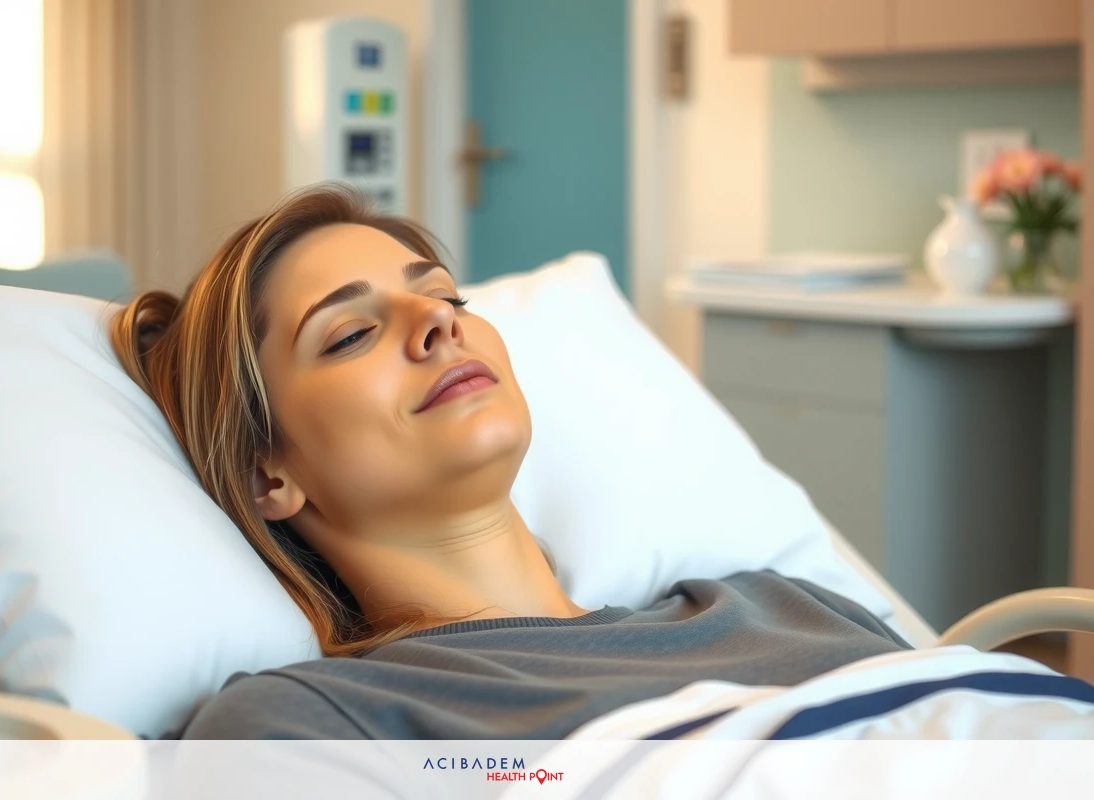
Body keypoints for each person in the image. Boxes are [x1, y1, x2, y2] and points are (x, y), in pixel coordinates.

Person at [110, 184, 910, 740]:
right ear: (267, 475)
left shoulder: (786, 607)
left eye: (447, 297)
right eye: (350, 333)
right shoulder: (336, 719)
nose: (436, 322)